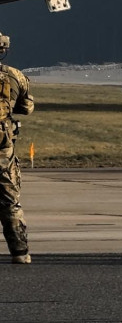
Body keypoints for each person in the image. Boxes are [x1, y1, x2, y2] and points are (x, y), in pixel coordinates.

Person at [0, 31, 34, 264]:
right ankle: (19, 252)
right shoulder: (15, 76)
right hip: (3, 146)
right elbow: (27, 107)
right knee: (10, 198)